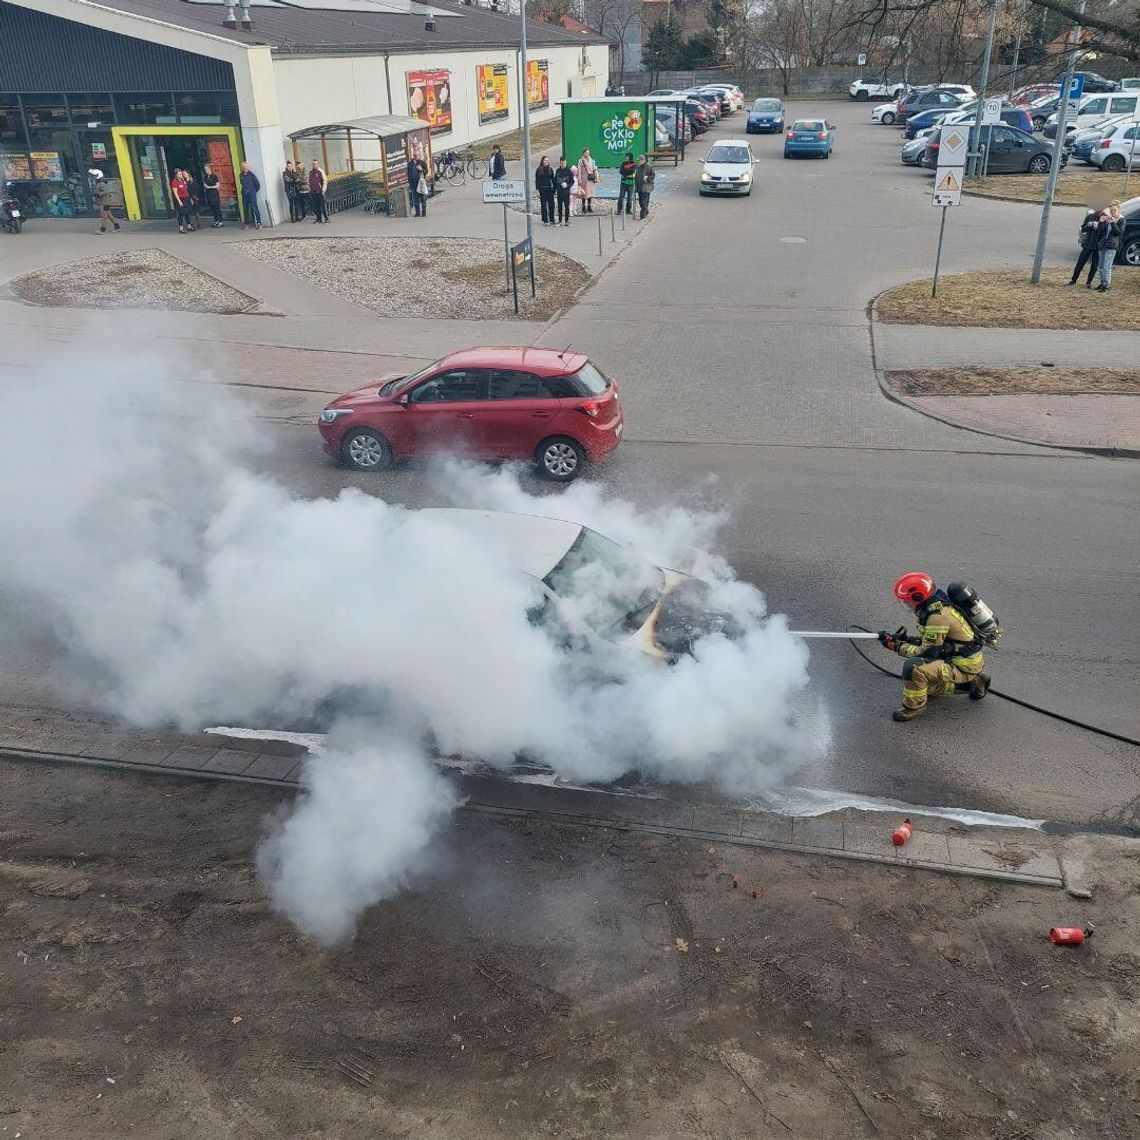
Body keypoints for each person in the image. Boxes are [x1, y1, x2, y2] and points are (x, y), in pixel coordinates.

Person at [878, 573, 989, 722]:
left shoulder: (937, 617)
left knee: (913, 668)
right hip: (962, 658)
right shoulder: (937, 606)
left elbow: (928, 652)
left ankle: (913, 708)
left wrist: (897, 646)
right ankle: (974, 683)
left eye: (907, 601)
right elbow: (933, 641)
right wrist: (904, 639)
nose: (907, 604)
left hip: (962, 666)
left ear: (918, 597)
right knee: (924, 684)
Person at [1067, 208, 1100, 287]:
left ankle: (1089, 282)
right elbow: (1083, 229)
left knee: (1094, 265)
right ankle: (1073, 280)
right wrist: (1089, 225)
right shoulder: (1090, 216)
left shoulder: (1105, 218)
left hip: (1098, 245)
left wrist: (1098, 227)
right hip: (1088, 244)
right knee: (1080, 263)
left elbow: (1106, 231)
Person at [1095, 202, 1123, 293]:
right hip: (1103, 244)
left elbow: (1118, 233)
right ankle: (1102, 283)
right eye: (1111, 210)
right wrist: (1101, 222)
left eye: (1115, 210)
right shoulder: (1107, 218)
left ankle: (1106, 285)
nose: (1113, 212)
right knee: (1101, 266)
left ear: (1118, 210)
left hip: (1112, 246)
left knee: (1107, 266)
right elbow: (1100, 232)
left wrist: (1113, 223)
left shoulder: (1121, 220)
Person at [88, 169, 120, 234]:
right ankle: (117, 227)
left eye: (94, 175)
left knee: (103, 216)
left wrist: (98, 194)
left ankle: (102, 230)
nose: (93, 177)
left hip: (104, 202)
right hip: (105, 201)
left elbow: (106, 191)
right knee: (109, 215)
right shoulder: (100, 182)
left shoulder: (101, 183)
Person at [239, 161, 262, 229]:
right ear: (242, 168)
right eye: (244, 167)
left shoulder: (252, 175)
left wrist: (253, 191)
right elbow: (242, 183)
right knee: (245, 209)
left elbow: (257, 185)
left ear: (248, 167)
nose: (245, 168)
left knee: (254, 208)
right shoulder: (241, 175)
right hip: (245, 195)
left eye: (246, 166)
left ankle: (259, 223)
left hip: (252, 195)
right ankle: (247, 223)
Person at [553, 156, 574, 226]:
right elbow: (555, 182)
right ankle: (559, 221)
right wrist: (554, 191)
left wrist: (567, 185)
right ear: (560, 163)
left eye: (564, 163)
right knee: (559, 207)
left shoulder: (569, 171)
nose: (563, 165)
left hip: (566, 192)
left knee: (566, 206)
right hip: (559, 192)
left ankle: (567, 221)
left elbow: (572, 181)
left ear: (566, 162)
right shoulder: (557, 171)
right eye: (561, 163)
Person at [535, 155, 555, 225]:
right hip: (542, 189)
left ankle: (552, 219)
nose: (546, 162)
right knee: (543, 205)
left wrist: (554, 189)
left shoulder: (550, 169)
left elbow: (553, 179)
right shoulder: (539, 169)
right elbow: (537, 180)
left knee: (551, 204)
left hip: (549, 188)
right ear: (542, 161)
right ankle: (545, 220)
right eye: (545, 160)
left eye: (547, 160)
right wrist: (537, 190)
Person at [634, 154, 655, 220]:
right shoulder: (638, 167)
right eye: (639, 160)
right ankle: (646, 211)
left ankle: (642, 215)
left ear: (643, 160)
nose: (639, 162)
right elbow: (636, 177)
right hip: (639, 187)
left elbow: (653, 175)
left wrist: (648, 178)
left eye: (640, 160)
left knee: (644, 201)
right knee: (640, 201)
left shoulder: (648, 167)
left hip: (646, 188)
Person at [576, 148, 597, 213]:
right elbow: (579, 171)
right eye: (586, 153)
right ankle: (583, 207)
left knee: (590, 193)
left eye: (588, 153)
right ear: (583, 153)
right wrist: (579, 180)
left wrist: (596, 176)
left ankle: (589, 206)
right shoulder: (581, 161)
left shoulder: (591, 159)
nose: (588, 154)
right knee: (584, 193)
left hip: (590, 179)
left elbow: (594, 168)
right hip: (584, 179)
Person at [308, 159, 329, 223]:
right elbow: (309, 181)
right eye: (313, 164)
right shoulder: (310, 173)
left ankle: (327, 219)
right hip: (313, 192)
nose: (314, 165)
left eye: (315, 164)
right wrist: (309, 189)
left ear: (317, 164)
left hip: (320, 191)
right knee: (316, 206)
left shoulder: (320, 172)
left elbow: (325, 181)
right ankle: (318, 218)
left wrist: (323, 190)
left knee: (323, 206)